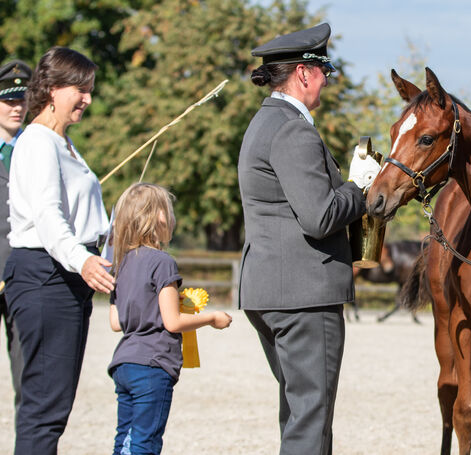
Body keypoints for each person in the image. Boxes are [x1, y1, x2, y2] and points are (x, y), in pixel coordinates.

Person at [237, 23, 380, 454]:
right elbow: (320, 217)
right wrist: (359, 186)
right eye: (325, 72)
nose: (326, 81)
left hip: (273, 290)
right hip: (303, 295)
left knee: (299, 413)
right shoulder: (293, 128)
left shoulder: (263, 123)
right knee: (310, 420)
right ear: (304, 73)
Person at [3, 47, 114, 455]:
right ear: (51, 89)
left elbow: (86, 217)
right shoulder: (37, 143)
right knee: (43, 410)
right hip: (45, 277)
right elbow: (49, 217)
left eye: (90, 90)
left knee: (55, 407)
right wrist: (81, 258)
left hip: (64, 279)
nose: (87, 98)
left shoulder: (63, 143)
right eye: (80, 89)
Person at [107, 182, 232, 455]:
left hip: (124, 363)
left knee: (124, 441)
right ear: (158, 218)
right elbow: (172, 322)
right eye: (168, 211)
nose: (172, 218)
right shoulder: (163, 262)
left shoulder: (122, 263)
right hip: (153, 366)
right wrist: (212, 318)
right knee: (145, 444)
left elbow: (116, 322)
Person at [0, 59, 31, 420]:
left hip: (24, 275)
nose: (16, 108)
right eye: (8, 101)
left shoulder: (36, 146)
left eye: (21, 100)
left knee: (27, 369)